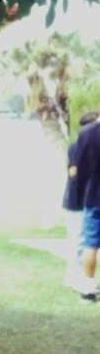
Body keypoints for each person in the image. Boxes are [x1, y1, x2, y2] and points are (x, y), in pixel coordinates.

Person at [65, 112, 99, 291]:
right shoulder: (78, 144)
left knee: (86, 242)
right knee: (80, 241)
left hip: (89, 197)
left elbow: (79, 172)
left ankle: (82, 281)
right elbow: (74, 171)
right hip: (81, 199)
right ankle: (76, 278)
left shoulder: (86, 141)